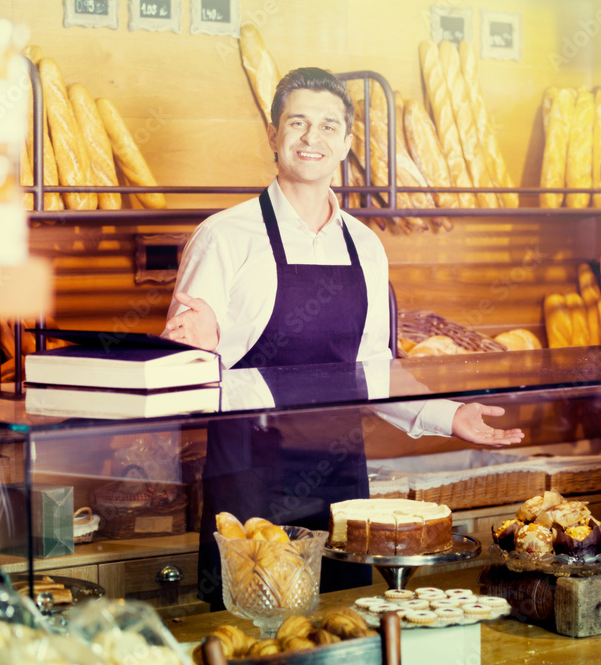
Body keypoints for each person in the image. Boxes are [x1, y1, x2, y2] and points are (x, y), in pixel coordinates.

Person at [163, 67, 523, 608]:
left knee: (341, 628)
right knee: (250, 632)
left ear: (347, 143)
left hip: (337, 474)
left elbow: (373, 370)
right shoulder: (223, 236)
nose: (313, 138)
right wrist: (199, 353)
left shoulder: (366, 245)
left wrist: (450, 416)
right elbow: (180, 373)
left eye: (329, 126)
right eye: (298, 122)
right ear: (273, 134)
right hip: (249, 474)